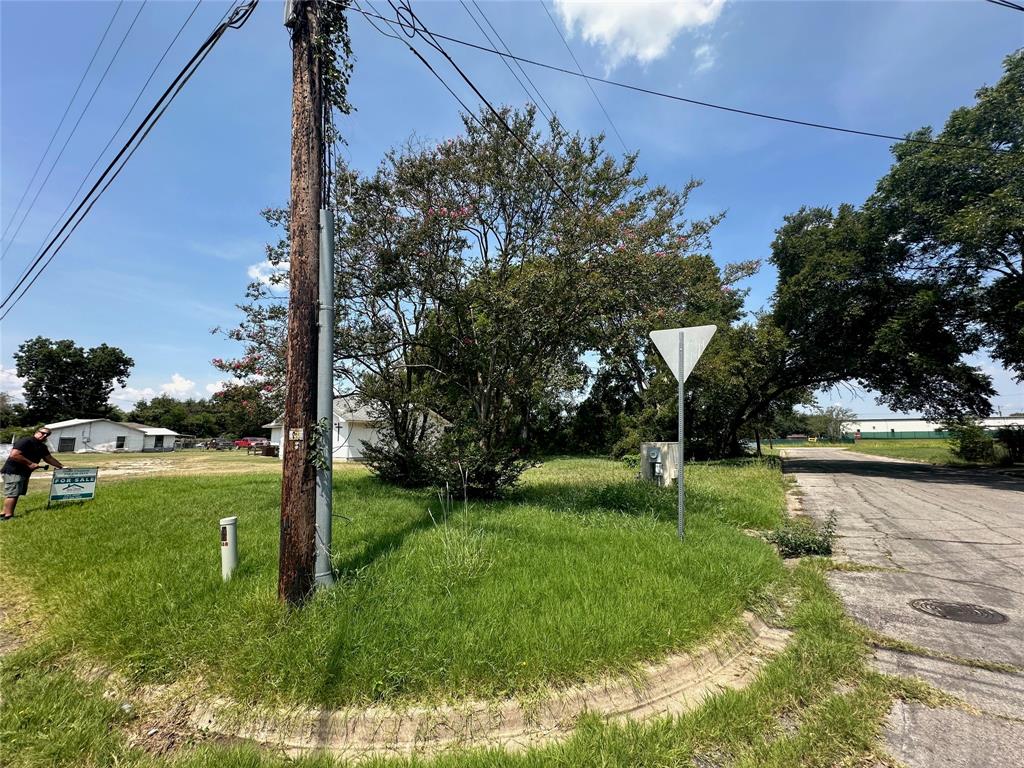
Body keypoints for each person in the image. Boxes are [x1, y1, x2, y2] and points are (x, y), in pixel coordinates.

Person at [2, 427, 64, 520]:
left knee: (16, 493)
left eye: (47, 435)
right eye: (42, 433)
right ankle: (8, 516)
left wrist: (61, 466)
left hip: (23, 472)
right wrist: (30, 463)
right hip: (14, 471)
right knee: (13, 493)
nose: (44, 435)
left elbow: (48, 458)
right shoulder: (26, 441)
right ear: (36, 432)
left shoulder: (42, 446)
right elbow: (14, 455)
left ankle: (4, 513)